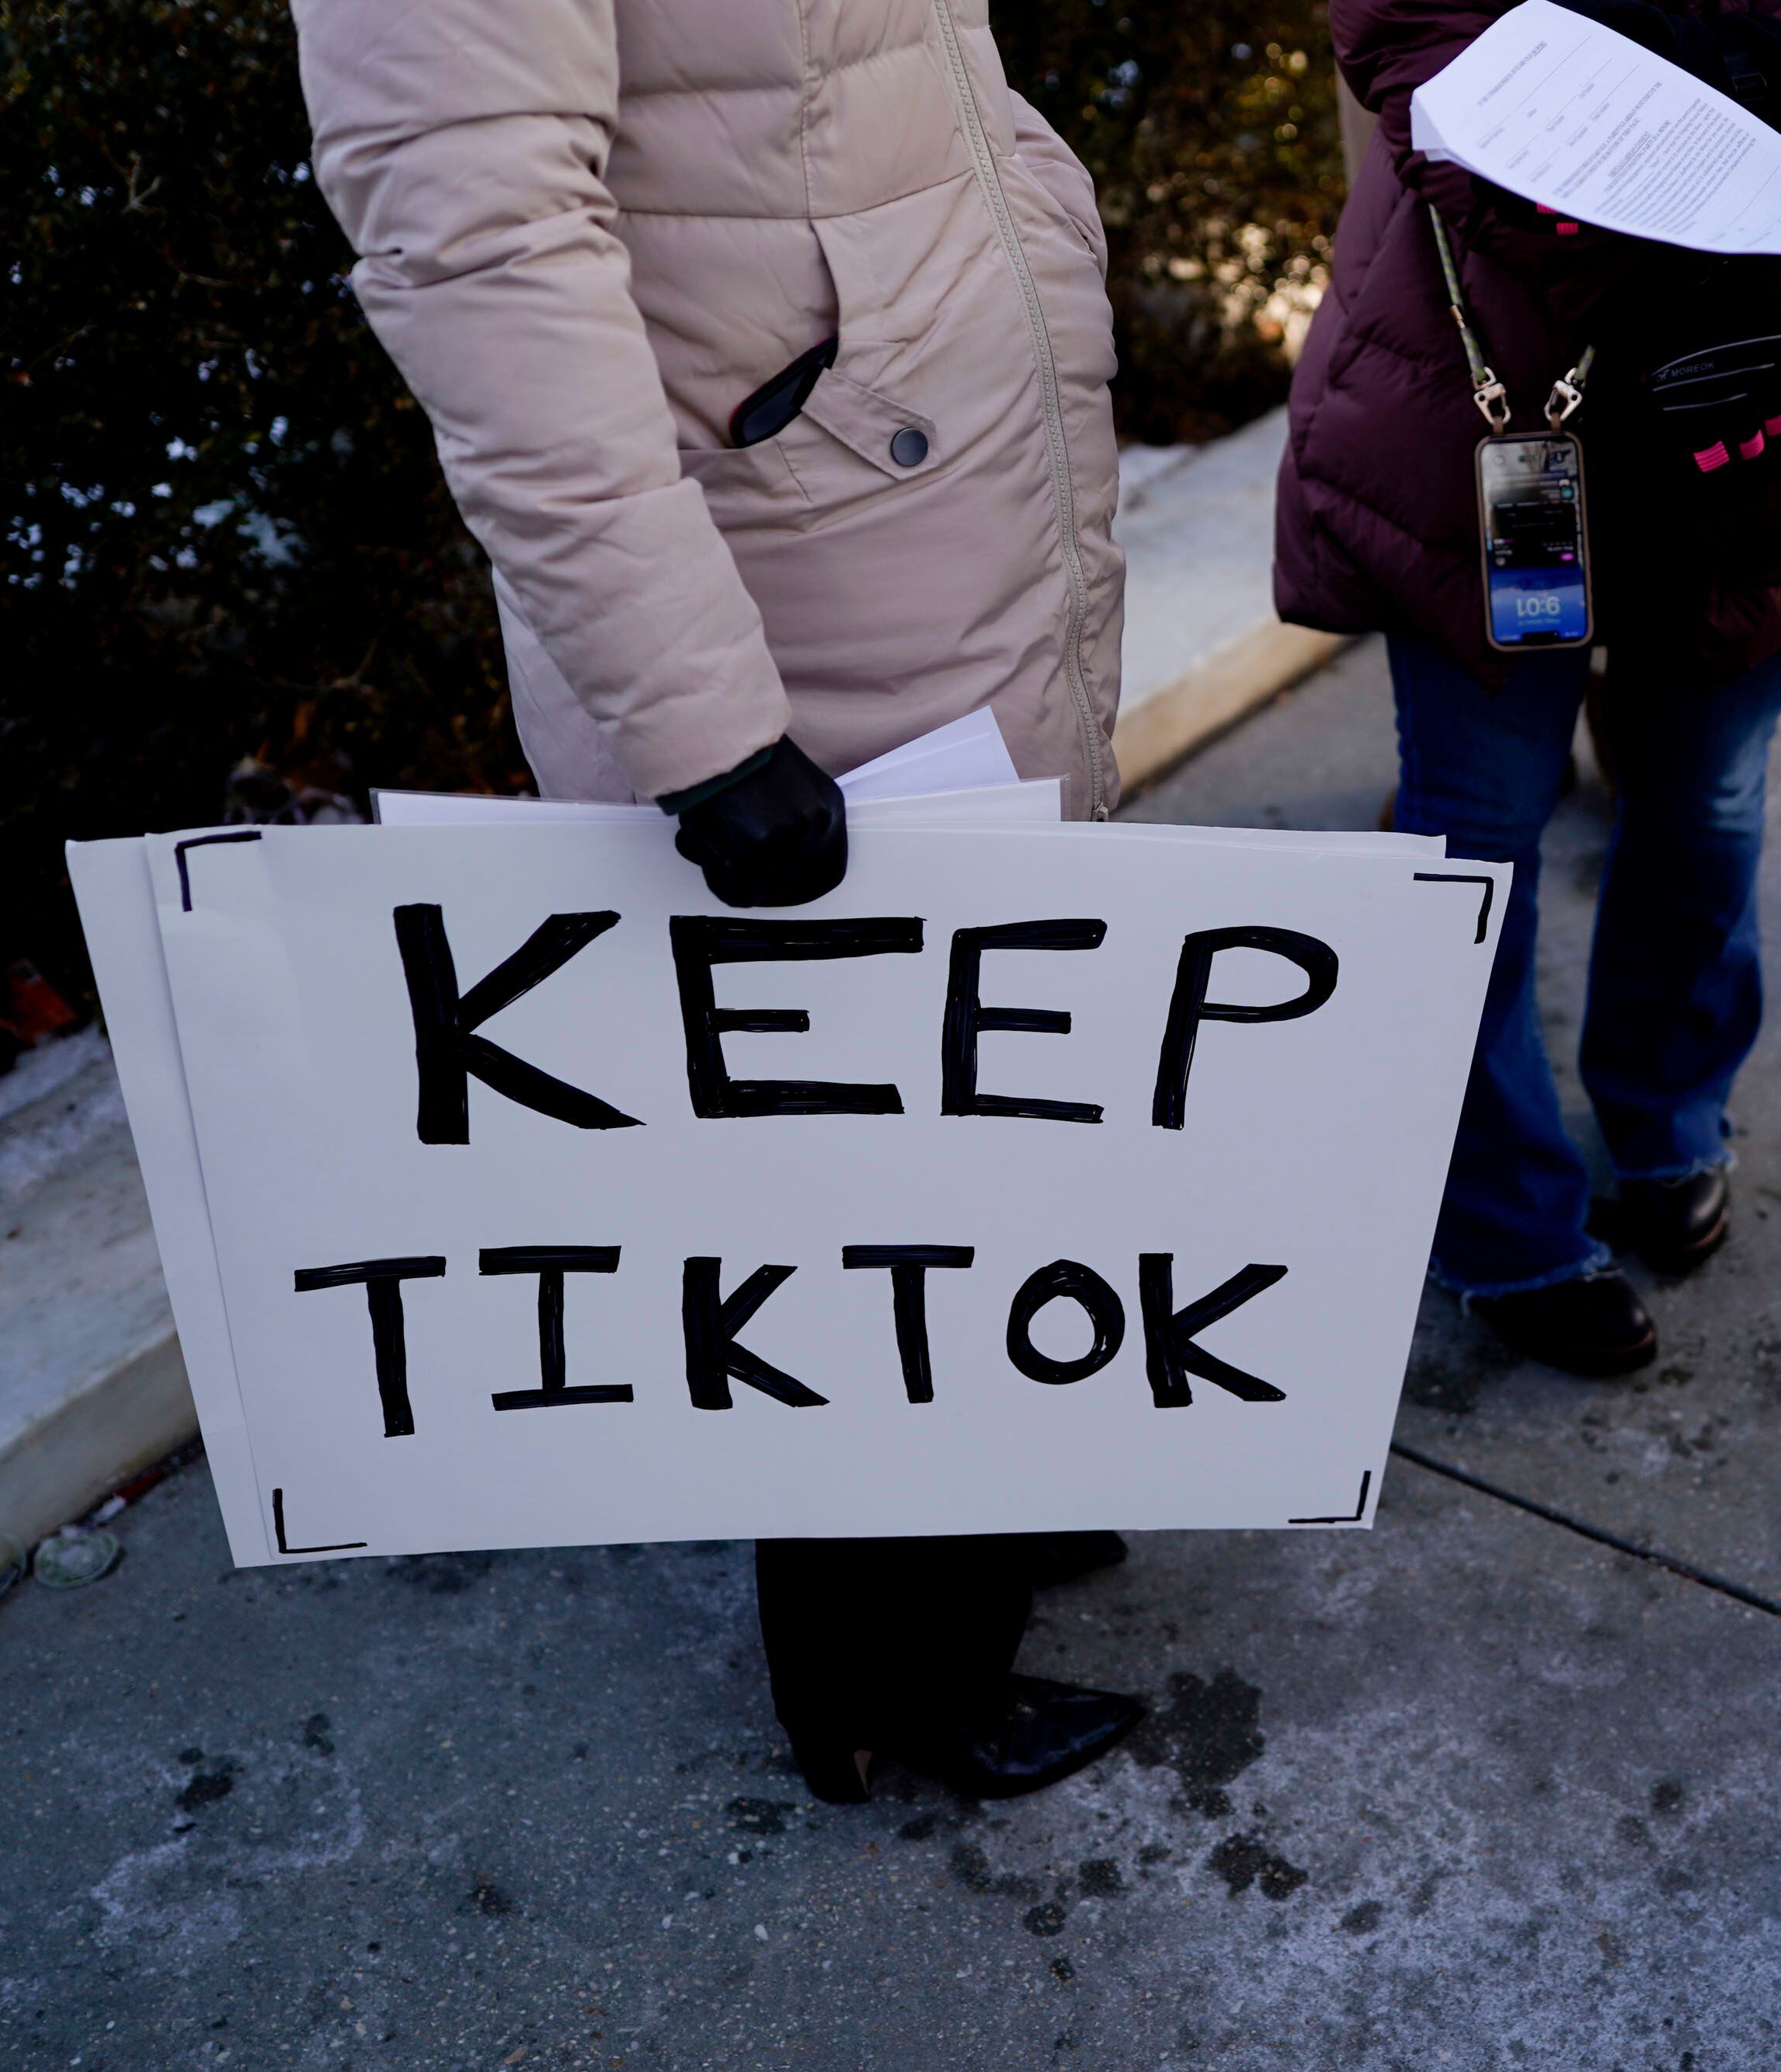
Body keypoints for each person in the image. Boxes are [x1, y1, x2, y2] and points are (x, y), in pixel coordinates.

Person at [293, 0, 1150, 1804]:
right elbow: (481, 248)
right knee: (841, 1193)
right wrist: (700, 724)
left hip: (929, 516)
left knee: (965, 1129)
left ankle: (973, 1503)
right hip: (802, 601)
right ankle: (887, 1692)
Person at [1278, 0, 1781, 1377]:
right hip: (1485, 367)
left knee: (1708, 801)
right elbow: (1403, 32)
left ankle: (1668, 1117)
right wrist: (1643, 198)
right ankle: (1499, 1221)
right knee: (1469, 835)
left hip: (1779, 372)